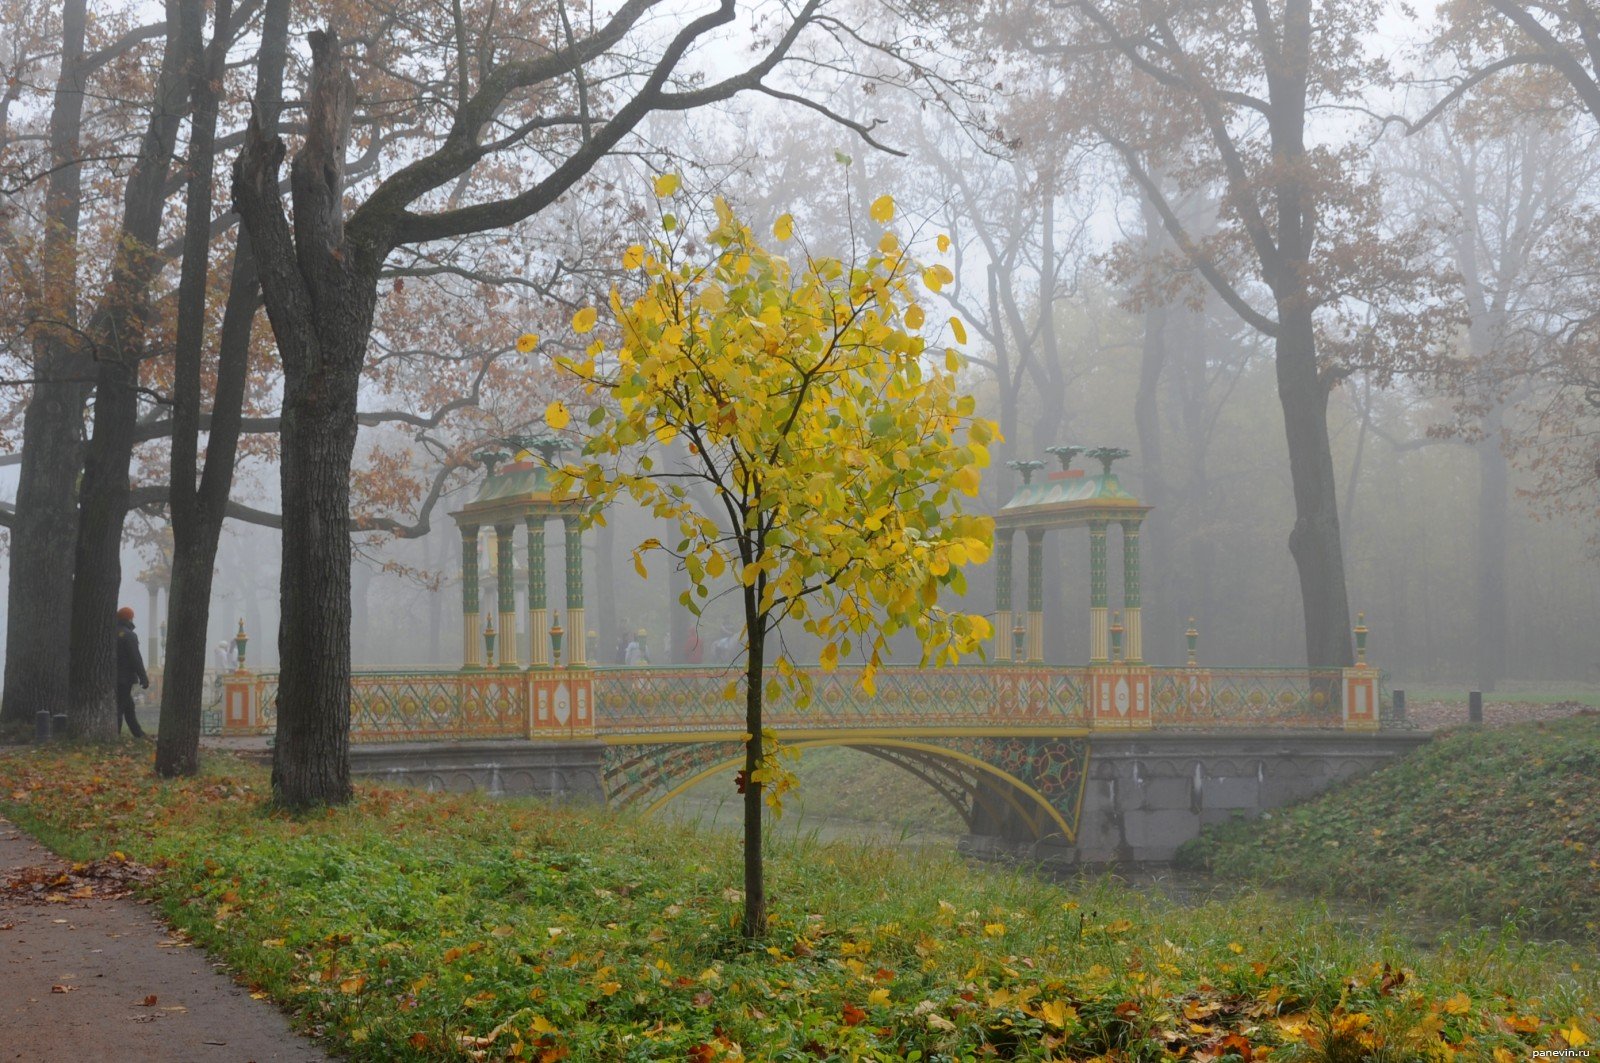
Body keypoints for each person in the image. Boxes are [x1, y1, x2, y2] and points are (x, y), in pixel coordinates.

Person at [114, 606, 150, 738]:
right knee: (120, 707)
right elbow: (135, 658)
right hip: (125, 678)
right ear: (130, 618)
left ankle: (138, 734)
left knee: (128, 706)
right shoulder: (129, 635)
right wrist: (143, 677)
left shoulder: (111, 632)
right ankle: (114, 735)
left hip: (113, 677)